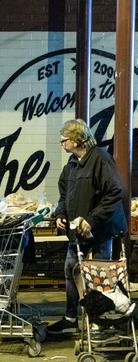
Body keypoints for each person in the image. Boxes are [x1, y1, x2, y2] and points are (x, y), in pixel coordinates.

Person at [47, 118, 127, 335]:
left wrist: (91, 219)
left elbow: (115, 191)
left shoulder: (100, 159)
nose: (62, 144)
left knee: (99, 274)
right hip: (77, 231)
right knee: (71, 270)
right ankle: (71, 318)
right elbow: (65, 195)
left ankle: (100, 319)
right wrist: (60, 214)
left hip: (101, 230)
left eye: (64, 140)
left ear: (77, 140)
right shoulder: (71, 164)